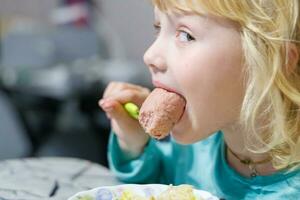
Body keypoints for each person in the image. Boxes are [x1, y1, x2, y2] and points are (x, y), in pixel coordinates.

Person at [99, 0, 300, 199]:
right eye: (158, 27)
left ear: (275, 61)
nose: (149, 55)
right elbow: (156, 189)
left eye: (186, 35)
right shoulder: (197, 150)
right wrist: (135, 144)